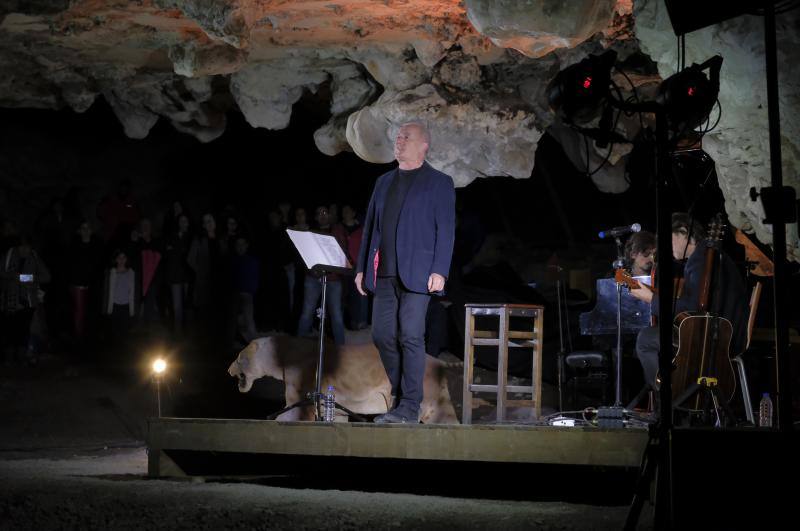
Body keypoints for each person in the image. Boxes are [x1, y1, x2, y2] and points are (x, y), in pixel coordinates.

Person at [355, 122, 455, 424]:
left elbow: (446, 229)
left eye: (406, 138)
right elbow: (371, 227)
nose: (399, 142)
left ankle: (409, 405)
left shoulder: (439, 182)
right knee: (382, 334)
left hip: (420, 273)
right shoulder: (383, 182)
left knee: (411, 335)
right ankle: (402, 397)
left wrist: (440, 269)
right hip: (384, 272)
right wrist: (361, 268)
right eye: (397, 137)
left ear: (423, 144)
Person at [629, 213, 747, 407]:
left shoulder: (701, 259)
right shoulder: (708, 255)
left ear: (685, 233)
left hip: (718, 337)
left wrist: (651, 298)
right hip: (726, 332)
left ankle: (668, 399)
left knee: (646, 339)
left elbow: (693, 312)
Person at [296, 206, 348, 345]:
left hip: (333, 279)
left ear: (330, 215)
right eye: (319, 213)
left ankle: (341, 351)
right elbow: (304, 255)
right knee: (307, 312)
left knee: (336, 314)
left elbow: (342, 253)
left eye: (325, 212)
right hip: (313, 278)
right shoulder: (310, 232)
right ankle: (297, 347)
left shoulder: (337, 230)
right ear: (315, 217)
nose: (322, 215)